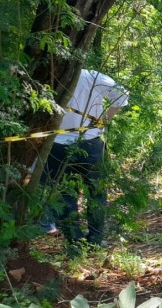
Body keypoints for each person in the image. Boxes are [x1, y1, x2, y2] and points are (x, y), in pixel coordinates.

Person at [42, 68, 129, 252]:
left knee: (66, 193)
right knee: (96, 192)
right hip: (90, 142)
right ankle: (94, 240)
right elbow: (122, 95)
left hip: (59, 144)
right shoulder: (91, 77)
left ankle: (76, 242)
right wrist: (104, 120)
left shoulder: (52, 73)